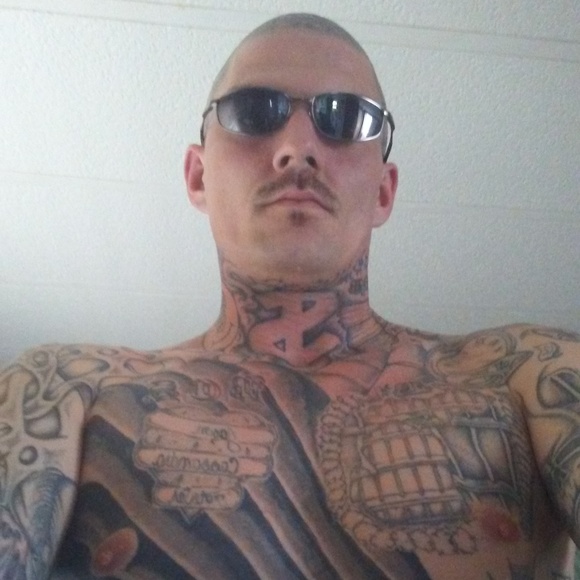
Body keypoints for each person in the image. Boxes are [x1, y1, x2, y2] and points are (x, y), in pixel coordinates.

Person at [1, 12, 579, 580]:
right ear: (198, 177)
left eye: (346, 118)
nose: (298, 147)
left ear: (383, 192)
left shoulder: (529, 375)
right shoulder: (61, 388)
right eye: (254, 111)